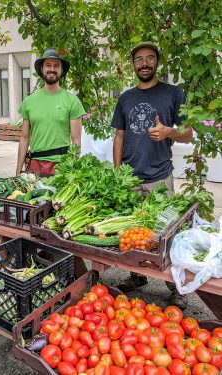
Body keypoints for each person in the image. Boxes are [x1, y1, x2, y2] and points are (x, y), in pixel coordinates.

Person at [111, 42, 193, 309]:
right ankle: (137, 277)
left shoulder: (173, 93)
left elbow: (189, 132)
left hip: (160, 176)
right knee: (132, 233)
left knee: (167, 234)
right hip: (130, 178)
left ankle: (175, 287)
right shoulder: (126, 98)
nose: (144, 64)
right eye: (138, 60)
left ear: (157, 62)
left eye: (149, 58)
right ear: (133, 64)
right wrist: (117, 172)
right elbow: (119, 136)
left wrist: (169, 132)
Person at [16, 48, 85, 176]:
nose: (52, 69)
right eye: (48, 65)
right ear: (42, 69)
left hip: (61, 165)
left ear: (61, 70)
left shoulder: (72, 101)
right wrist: (18, 170)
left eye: (56, 66)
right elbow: (24, 139)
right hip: (34, 165)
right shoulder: (29, 101)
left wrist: (74, 172)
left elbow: (76, 141)